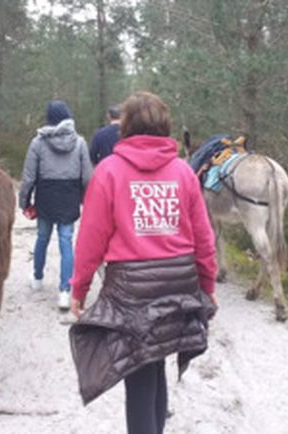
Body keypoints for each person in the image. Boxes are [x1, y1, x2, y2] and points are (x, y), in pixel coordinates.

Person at [68, 92, 218, 434]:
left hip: (131, 291)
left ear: (126, 126)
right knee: (155, 363)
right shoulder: (183, 172)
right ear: (165, 126)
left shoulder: (108, 171)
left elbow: (90, 239)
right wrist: (207, 286)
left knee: (139, 376)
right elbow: (204, 239)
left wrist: (79, 289)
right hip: (177, 283)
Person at [19, 100, 93, 311]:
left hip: (46, 197)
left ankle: (37, 278)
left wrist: (24, 201)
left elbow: (28, 177)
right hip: (69, 198)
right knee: (66, 242)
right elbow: (87, 177)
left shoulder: (38, 143)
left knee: (42, 238)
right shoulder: (80, 143)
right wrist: (86, 200)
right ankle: (64, 292)